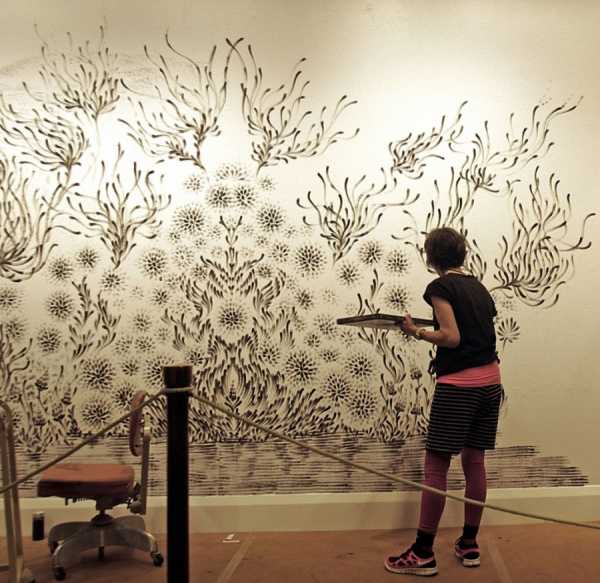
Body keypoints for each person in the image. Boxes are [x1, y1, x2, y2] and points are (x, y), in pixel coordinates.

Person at [384, 227, 504, 577]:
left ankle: (423, 552)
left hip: (460, 387)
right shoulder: (479, 288)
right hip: (490, 381)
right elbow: (474, 329)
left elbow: (451, 337)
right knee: (474, 460)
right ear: (462, 254)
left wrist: (417, 332)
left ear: (431, 257)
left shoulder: (440, 287)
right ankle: (469, 543)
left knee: (436, 465)